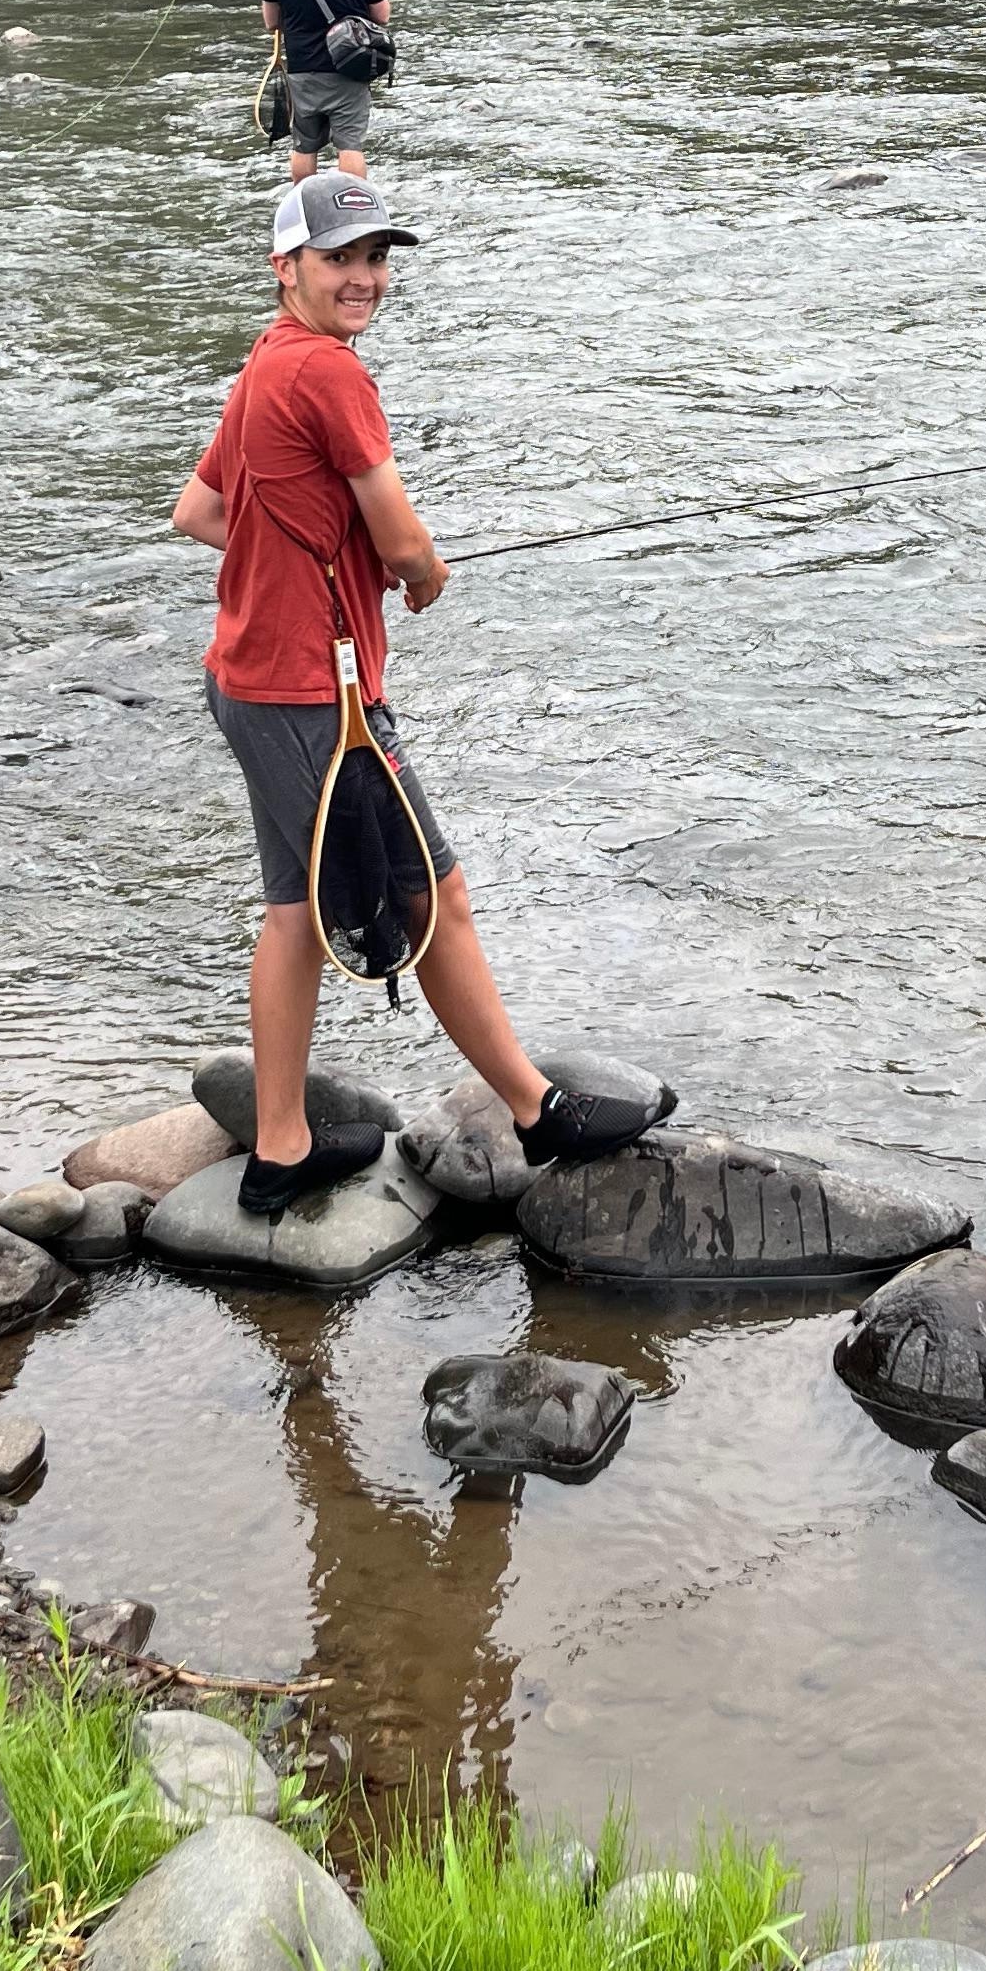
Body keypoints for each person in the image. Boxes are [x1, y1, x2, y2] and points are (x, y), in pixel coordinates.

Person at [171, 168, 663, 1212]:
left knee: (296, 911)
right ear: (286, 267)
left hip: (249, 681)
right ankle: (540, 1117)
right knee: (434, 896)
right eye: (340, 259)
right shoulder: (334, 376)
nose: (363, 278)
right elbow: (405, 542)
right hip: (318, 698)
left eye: (376, 258)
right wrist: (416, 574)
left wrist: (313, 555)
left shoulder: (265, 364)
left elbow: (200, 513)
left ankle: (282, 1147)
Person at [260, 0, 390, 183]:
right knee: (350, 146)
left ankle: (305, 208)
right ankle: (355, 211)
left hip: (303, 70)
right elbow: (382, 16)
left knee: (304, 146)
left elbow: (271, 23)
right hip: (350, 68)